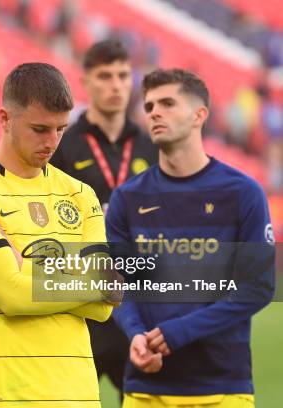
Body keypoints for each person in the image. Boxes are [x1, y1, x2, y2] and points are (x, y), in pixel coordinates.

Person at [0, 62, 117, 407]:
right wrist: (83, 278)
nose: (51, 141)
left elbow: (106, 303)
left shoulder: (80, 194)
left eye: (60, 129)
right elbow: (13, 296)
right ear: (5, 118)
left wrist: (27, 268)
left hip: (81, 395)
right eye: (39, 129)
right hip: (10, 395)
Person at [106, 68, 275, 408]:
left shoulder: (244, 193)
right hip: (145, 390)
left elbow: (257, 287)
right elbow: (118, 284)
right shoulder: (126, 198)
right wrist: (135, 332)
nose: (154, 111)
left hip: (223, 388)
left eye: (167, 103)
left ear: (200, 115)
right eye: (150, 105)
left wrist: (179, 332)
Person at [50, 39, 157, 398]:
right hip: (84, 305)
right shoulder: (63, 146)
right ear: (86, 81)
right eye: (105, 76)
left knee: (149, 402)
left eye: (123, 76)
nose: (115, 85)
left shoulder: (149, 147)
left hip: (139, 304)